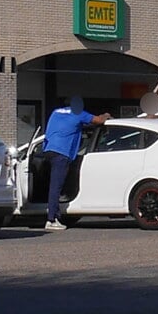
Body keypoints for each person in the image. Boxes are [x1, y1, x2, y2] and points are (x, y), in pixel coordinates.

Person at [42, 96, 109, 231]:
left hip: (48, 149)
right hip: (62, 152)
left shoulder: (55, 113)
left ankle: (52, 212)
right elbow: (99, 120)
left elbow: (66, 127)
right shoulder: (79, 114)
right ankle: (51, 219)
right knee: (56, 186)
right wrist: (106, 115)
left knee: (54, 183)